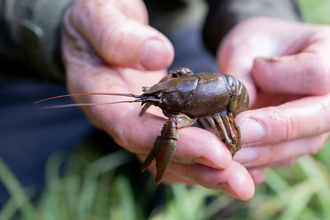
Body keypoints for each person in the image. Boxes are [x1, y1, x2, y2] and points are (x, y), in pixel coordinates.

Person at [1, 0, 330, 202]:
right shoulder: (165, 88)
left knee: (220, 192)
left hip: (168, 31)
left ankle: (148, 168)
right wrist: (55, 16)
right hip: (21, 62)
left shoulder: (193, 106)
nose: (154, 97)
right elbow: (175, 81)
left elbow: (180, 86)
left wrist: (258, 13)